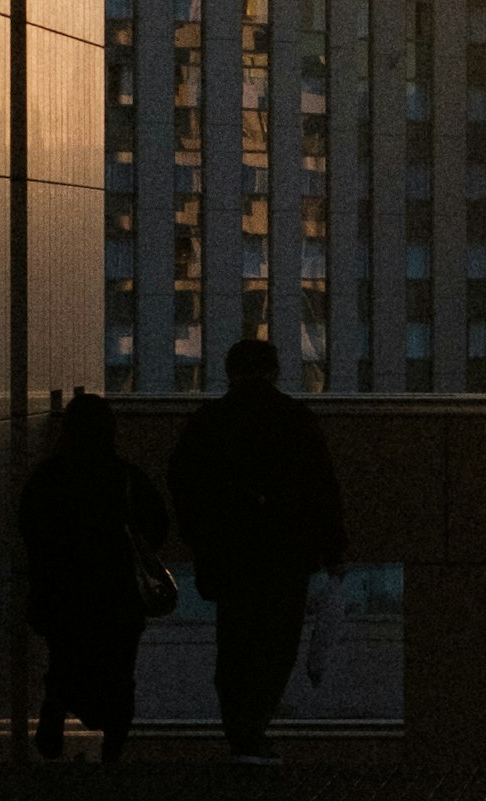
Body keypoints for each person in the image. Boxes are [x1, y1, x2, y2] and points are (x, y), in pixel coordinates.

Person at [168, 325, 348, 770]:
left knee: (235, 642)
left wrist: (202, 537)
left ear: (230, 372)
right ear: (274, 371)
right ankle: (253, 728)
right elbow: (322, 487)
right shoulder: (295, 419)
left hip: (231, 551)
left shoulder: (209, 422)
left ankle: (241, 731)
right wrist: (332, 546)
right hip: (286, 552)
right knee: (277, 643)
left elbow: (184, 484)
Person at [18, 387, 174, 769]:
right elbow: (157, 528)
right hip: (116, 592)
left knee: (64, 658)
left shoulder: (48, 477)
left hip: (62, 590)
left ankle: (57, 703)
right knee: (120, 671)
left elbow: (30, 530)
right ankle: (112, 751)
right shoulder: (124, 478)